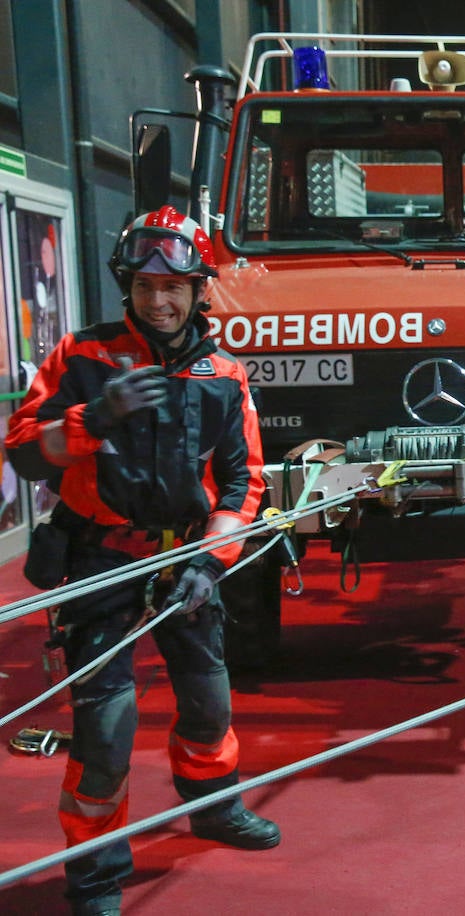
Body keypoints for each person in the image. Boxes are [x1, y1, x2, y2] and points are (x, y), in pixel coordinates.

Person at [5, 206, 278, 916]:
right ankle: (93, 873)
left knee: (209, 703)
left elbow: (245, 480)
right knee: (105, 726)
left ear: (198, 290)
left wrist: (210, 564)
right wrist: (92, 419)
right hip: (99, 561)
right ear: (127, 285)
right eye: (147, 287)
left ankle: (214, 807)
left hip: (184, 561)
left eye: (177, 287)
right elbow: (23, 449)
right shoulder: (81, 357)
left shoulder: (224, 375)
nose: (161, 300)